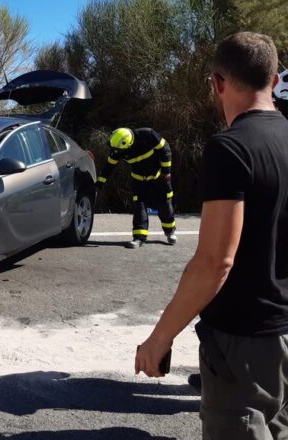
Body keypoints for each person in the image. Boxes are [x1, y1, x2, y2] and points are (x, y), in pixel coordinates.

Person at [135, 32, 288, 439]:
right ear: (274, 82)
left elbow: (215, 262)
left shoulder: (231, 148)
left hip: (245, 343)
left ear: (217, 83)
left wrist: (159, 338)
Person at [96, 127, 177, 248]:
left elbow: (165, 150)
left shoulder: (148, 135)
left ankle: (170, 231)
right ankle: (139, 238)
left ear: (129, 144)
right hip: (139, 179)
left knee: (164, 205)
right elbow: (109, 166)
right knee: (139, 207)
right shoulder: (119, 148)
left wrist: (166, 171)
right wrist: (100, 182)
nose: (117, 153)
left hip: (159, 177)